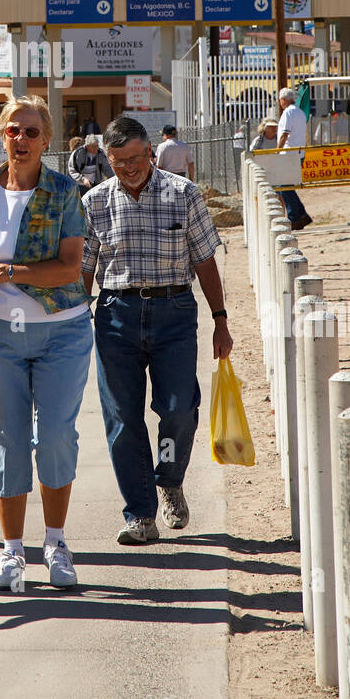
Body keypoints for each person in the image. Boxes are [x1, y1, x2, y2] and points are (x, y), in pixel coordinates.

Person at [0, 94, 93, 593]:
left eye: (31, 132)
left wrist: (4, 272)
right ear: (0, 136)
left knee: (53, 437)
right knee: (4, 441)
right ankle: (12, 553)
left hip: (62, 331)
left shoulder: (64, 192)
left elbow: (70, 267)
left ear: (47, 140)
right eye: (13, 131)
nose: (22, 140)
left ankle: (55, 543)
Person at [81, 115, 233, 544]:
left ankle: (169, 479)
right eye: (118, 161)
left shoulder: (182, 194)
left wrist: (220, 320)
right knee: (122, 419)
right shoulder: (93, 203)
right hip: (115, 317)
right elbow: (84, 271)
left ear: (150, 151)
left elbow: (205, 260)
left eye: (135, 158)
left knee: (178, 409)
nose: (129, 168)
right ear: (106, 159)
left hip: (174, 312)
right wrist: (74, 323)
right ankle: (140, 514)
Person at [276, 87, 312, 230]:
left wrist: (277, 152)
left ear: (283, 100)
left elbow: (284, 134)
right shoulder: (300, 112)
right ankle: (300, 214)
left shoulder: (287, 113)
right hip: (299, 154)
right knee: (287, 186)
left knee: (284, 186)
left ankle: (295, 217)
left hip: (288, 154)